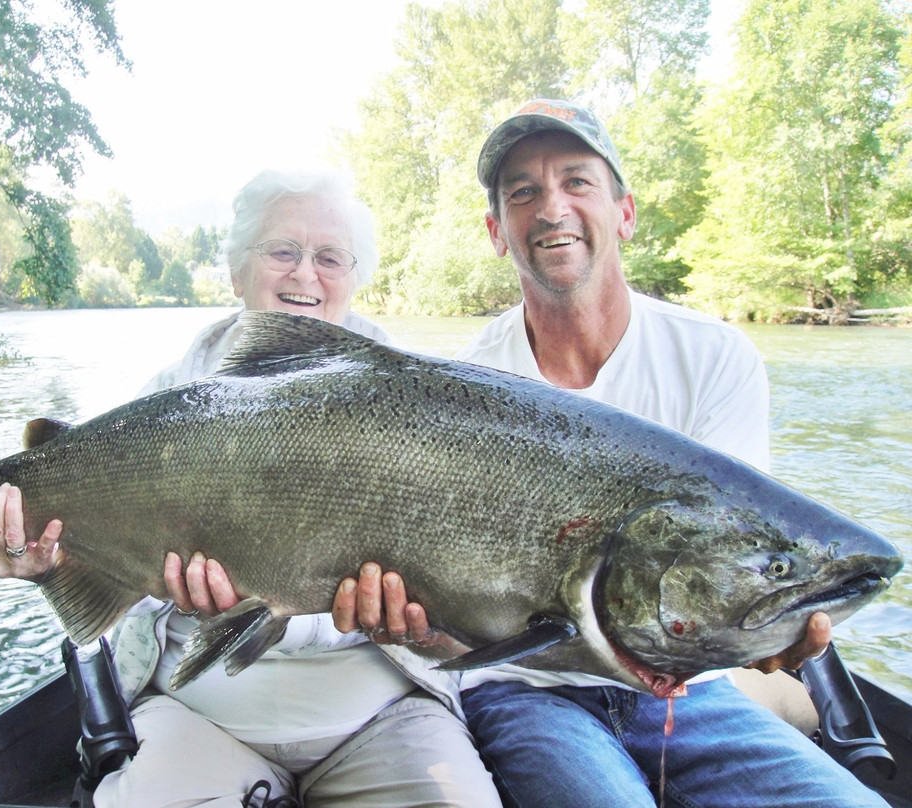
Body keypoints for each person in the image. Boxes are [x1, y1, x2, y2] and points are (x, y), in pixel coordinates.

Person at [334, 99, 887, 808]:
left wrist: (761, 634)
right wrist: (411, 629)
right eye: (522, 193)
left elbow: (734, 561)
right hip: (530, 692)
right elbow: (452, 641)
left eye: (577, 181)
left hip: (695, 701)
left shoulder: (715, 357)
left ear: (624, 212)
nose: (551, 208)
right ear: (497, 231)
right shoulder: (462, 391)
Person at [0, 168, 502, 808]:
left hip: (382, 710)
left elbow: (470, 610)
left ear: (354, 280)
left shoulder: (424, 405)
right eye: (282, 251)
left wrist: (423, 629)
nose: (306, 274)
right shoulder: (163, 399)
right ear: (235, 271)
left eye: (329, 257)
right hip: (201, 709)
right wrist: (40, 559)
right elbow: (105, 589)